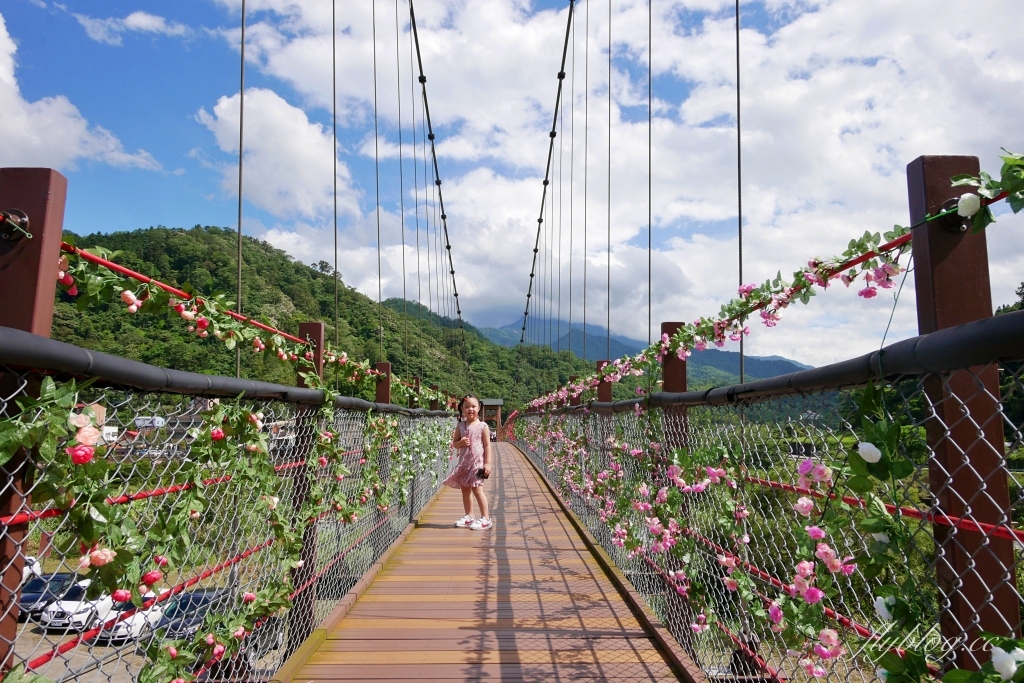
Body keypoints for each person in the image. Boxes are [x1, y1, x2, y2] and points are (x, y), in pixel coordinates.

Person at [444, 395, 493, 530]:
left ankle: (486, 518)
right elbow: (455, 444)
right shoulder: (460, 426)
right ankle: (469, 516)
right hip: (464, 464)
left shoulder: (483, 426)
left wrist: (488, 463)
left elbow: (487, 446)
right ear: (462, 409)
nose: (470, 409)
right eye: (467, 407)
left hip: (477, 464)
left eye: (473, 406)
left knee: (477, 490)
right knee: (465, 490)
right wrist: (460, 443)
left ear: (479, 408)